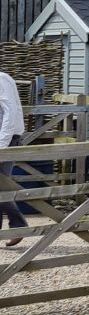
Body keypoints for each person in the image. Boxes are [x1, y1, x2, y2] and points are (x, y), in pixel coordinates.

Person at [0, 70, 29, 245]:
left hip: (7, 140)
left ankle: (18, 225)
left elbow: (10, 112)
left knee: (2, 185)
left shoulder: (2, 79)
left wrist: (2, 147)